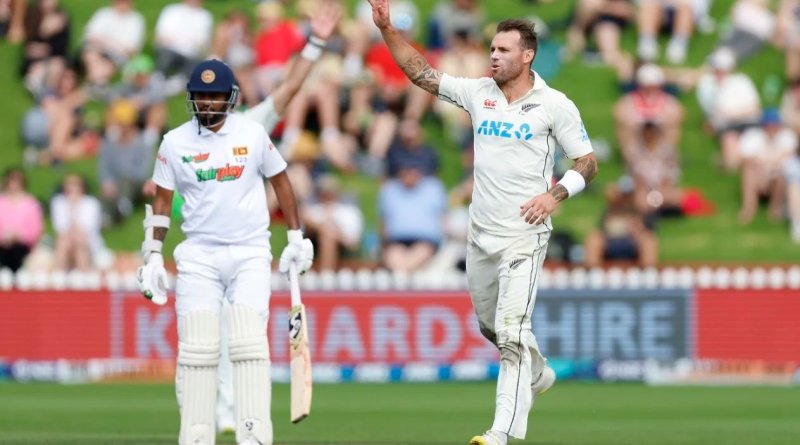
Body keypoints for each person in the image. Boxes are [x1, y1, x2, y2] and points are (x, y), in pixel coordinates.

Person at [365, 2, 598, 444]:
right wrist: (387, 28)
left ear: (527, 55)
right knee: (490, 328)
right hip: (481, 236)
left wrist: (555, 194)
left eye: (503, 49)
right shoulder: (480, 93)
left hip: (524, 236)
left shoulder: (553, 105)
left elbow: (587, 163)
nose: (493, 56)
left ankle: (500, 433)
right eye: (491, 47)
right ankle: (539, 371)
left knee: (511, 332)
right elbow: (421, 74)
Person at [136, 59, 314, 445]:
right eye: (201, 96)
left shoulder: (251, 134)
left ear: (230, 98)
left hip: (250, 251)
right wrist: (152, 255)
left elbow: (282, 183)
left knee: (248, 342)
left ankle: (253, 436)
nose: (208, 103)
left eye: (215, 96)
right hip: (198, 255)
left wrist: (296, 237)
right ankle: (197, 437)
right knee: (197, 348)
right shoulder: (174, 142)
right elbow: (162, 203)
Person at [213, 1, 342, 434]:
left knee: (247, 334)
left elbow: (290, 87)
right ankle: (218, 411)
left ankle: (245, 414)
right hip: (205, 250)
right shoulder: (181, 143)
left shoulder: (252, 124)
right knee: (208, 339)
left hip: (249, 247)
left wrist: (317, 41)